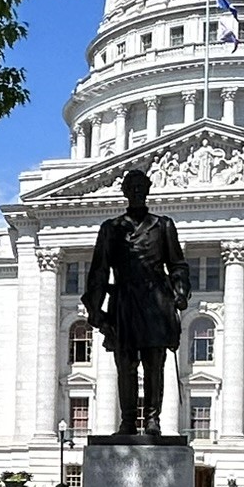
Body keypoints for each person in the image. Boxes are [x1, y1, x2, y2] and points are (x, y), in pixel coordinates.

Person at [81, 167, 190, 437]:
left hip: (155, 301)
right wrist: (95, 308)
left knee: (154, 365)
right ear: (125, 192)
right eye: (133, 188)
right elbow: (99, 270)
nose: (138, 193)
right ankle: (128, 421)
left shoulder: (163, 225)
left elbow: (177, 264)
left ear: (148, 190)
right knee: (126, 366)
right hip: (124, 302)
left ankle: (153, 420)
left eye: (142, 188)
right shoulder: (111, 229)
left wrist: (180, 289)